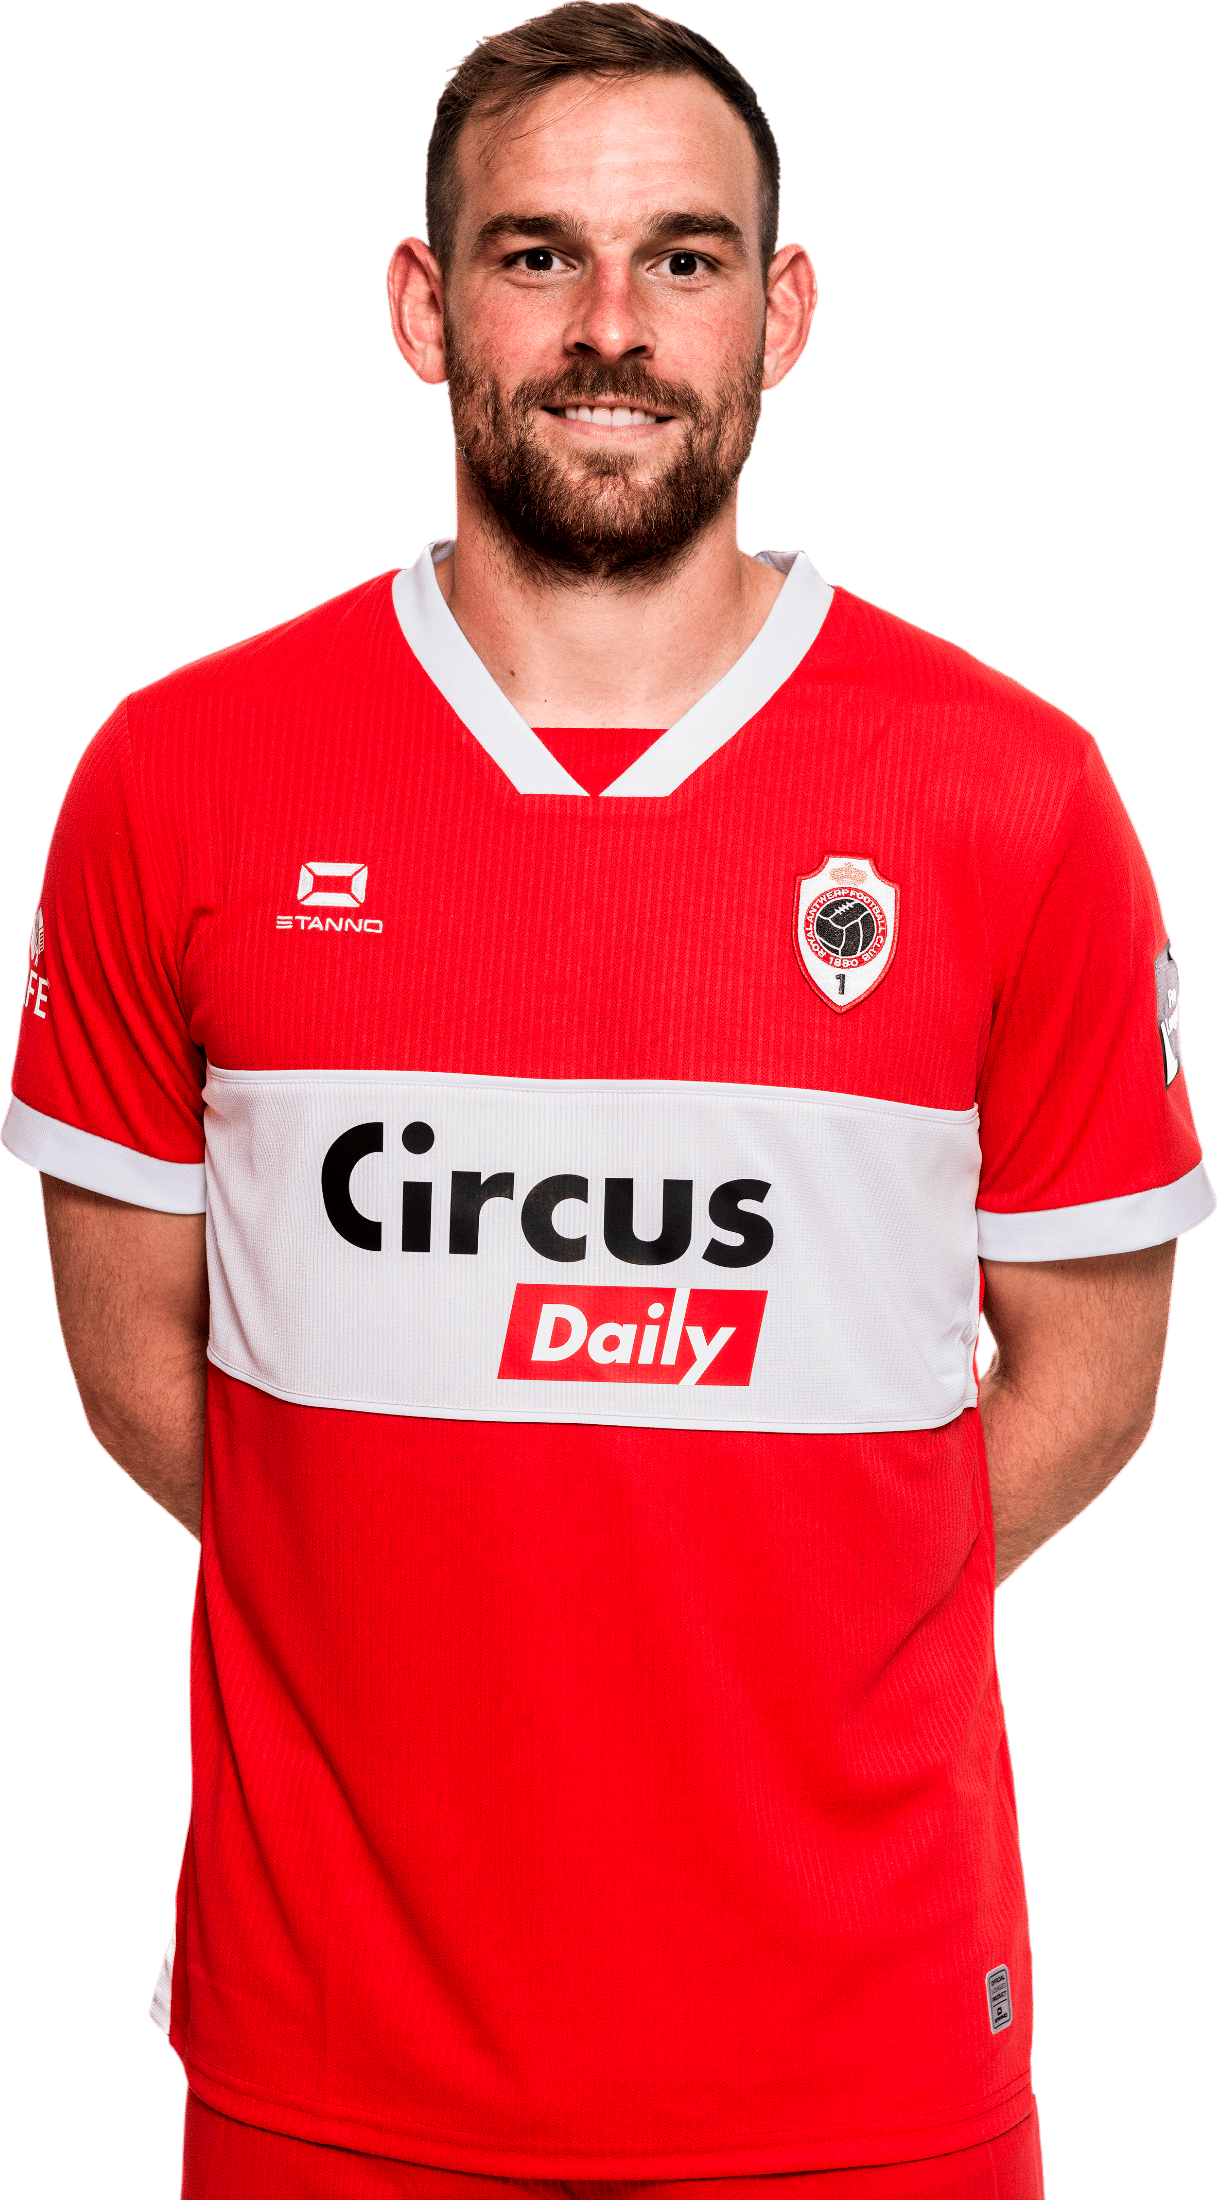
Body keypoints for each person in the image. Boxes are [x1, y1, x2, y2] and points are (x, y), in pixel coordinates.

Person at [5, 5, 1210, 2194]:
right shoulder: (178, 774)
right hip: (328, 2050)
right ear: (420, 305)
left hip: (862, 2055)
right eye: (537, 253)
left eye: (681, 258)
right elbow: (133, 1366)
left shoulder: (1014, 794)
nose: (611, 329)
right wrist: (416, 1574)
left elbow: (1091, 1382)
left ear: (782, 312)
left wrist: (789, 1612)